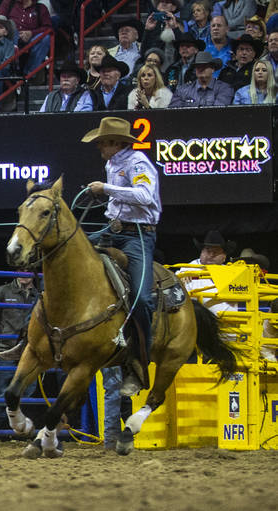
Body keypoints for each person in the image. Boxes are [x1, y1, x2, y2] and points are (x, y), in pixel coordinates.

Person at [82, 116, 161, 396]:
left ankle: (139, 360)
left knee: (141, 297)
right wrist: (106, 196)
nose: (99, 148)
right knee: (70, 253)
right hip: (113, 229)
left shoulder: (138, 163)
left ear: (115, 143)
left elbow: (144, 196)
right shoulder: (112, 163)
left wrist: (106, 189)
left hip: (138, 235)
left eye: (102, 143)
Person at [0, 273, 38, 429]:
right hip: (7, 347)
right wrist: (1, 337)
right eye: (21, 269)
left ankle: (19, 429)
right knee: (3, 390)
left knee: (27, 391)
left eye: (28, 270)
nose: (24, 273)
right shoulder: (2, 292)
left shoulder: (39, 295)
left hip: (29, 350)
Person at [177, 230, 237, 314]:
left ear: (224, 256)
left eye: (216, 252)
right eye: (208, 251)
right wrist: (180, 279)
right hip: (201, 321)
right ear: (201, 252)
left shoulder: (232, 272)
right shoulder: (188, 270)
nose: (211, 255)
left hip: (233, 321)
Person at [168, 52, 234, 107]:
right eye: (198, 66)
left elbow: (219, 112)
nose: (201, 69)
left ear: (213, 69)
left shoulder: (224, 89)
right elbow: (174, 113)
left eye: (205, 66)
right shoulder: (182, 90)